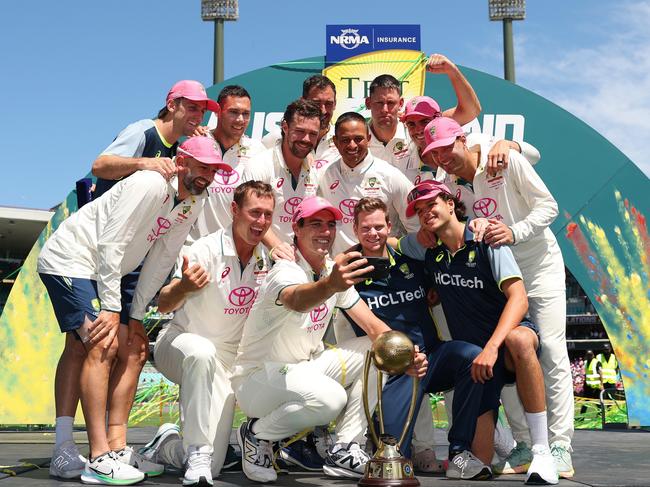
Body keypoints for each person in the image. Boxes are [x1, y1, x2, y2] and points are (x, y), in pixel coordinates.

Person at [38, 137, 230, 485]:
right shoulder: (150, 183)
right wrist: (112, 308)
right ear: (182, 161)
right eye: (202, 167)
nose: (207, 176)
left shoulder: (194, 201)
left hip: (104, 268)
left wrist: (137, 314)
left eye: (214, 170)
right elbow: (111, 243)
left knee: (135, 347)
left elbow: (161, 259)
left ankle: (115, 446)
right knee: (102, 343)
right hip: (70, 260)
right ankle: (95, 456)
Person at [230, 196, 426, 483]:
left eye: (330, 225)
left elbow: (373, 326)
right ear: (296, 229)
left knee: (376, 350)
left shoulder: (331, 270)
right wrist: (329, 285)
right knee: (331, 399)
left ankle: (346, 446)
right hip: (259, 379)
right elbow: (297, 300)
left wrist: (406, 356)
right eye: (315, 224)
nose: (325, 231)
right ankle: (256, 434)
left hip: (303, 368)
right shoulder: (285, 270)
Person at [420, 116, 574, 478]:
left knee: (548, 349)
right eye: (434, 154)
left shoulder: (502, 158)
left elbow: (548, 206)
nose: (442, 158)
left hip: (537, 267)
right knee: (496, 351)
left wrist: (514, 232)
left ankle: (560, 444)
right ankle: (523, 442)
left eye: (447, 149)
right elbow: (457, 221)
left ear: (463, 138)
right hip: (493, 274)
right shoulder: (447, 184)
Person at [398, 181, 559, 484]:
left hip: (503, 346)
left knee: (520, 339)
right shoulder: (427, 248)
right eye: (419, 211)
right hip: (477, 362)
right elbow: (388, 243)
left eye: (431, 204)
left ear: (449, 202)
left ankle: (542, 451)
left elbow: (519, 298)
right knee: (477, 466)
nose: (425, 213)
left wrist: (492, 347)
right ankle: (504, 441)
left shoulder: (487, 239)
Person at [338, 197, 489, 477]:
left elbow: (451, 245)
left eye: (379, 227)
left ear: (389, 226)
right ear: (355, 229)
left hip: (431, 358)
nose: (373, 234)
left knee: (471, 356)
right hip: (393, 370)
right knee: (394, 460)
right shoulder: (347, 271)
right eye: (366, 228)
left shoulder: (411, 259)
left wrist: (478, 224)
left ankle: (458, 452)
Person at [139, 181, 275, 486]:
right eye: (255, 213)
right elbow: (164, 304)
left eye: (268, 214)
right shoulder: (204, 248)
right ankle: (197, 449)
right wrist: (185, 286)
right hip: (180, 343)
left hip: (227, 359)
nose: (261, 222)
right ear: (234, 210)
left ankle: (167, 447)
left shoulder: (268, 258)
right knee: (202, 352)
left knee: (211, 468)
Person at [317, 111, 418, 255]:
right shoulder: (326, 175)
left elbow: (416, 227)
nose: (352, 145)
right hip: (342, 270)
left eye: (358, 139)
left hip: (385, 271)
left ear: (369, 139)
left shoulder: (390, 175)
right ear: (335, 141)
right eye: (345, 140)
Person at [365, 54, 481, 168]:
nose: (385, 109)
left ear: (400, 103)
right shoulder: (357, 138)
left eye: (390, 103)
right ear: (368, 103)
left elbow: (471, 111)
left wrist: (452, 70)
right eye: (379, 103)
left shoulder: (416, 125)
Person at [246, 99, 321, 259]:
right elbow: (248, 217)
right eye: (300, 131)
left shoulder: (315, 170)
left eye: (313, 134)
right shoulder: (259, 165)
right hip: (262, 261)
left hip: (302, 263)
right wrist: (278, 248)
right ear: (285, 127)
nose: (306, 139)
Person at [191, 85, 266, 238]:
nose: (240, 120)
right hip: (194, 246)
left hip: (235, 248)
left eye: (246, 114)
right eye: (233, 112)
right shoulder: (197, 142)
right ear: (218, 112)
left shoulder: (258, 150)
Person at [263, 75, 340, 168]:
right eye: (316, 103)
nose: (323, 110)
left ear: (335, 104)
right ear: (302, 101)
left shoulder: (343, 140)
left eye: (328, 104)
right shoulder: (275, 138)